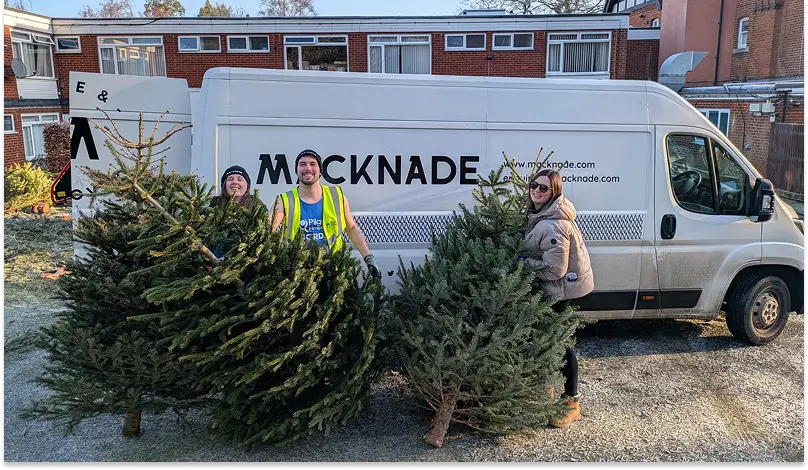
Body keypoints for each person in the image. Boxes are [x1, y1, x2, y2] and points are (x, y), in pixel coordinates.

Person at [523, 169, 594, 428]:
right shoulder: (542, 213)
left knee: (558, 342)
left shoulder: (554, 224)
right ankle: (546, 389)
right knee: (545, 339)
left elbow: (553, 270)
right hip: (553, 288)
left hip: (560, 289)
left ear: (555, 193)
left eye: (544, 188)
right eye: (534, 185)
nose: (537, 191)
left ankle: (572, 400)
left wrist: (521, 262)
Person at [271, 149, 381, 279]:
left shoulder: (336, 195)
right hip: (298, 273)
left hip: (334, 270)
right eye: (302, 164)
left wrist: (368, 258)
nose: (308, 168)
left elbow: (352, 229)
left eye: (313, 164)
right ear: (296, 170)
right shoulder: (284, 200)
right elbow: (266, 231)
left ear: (320, 170)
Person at [205, 165, 262, 260]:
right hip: (213, 264)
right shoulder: (213, 207)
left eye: (240, 179)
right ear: (224, 184)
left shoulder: (256, 206)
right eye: (230, 179)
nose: (235, 182)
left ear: (247, 185)